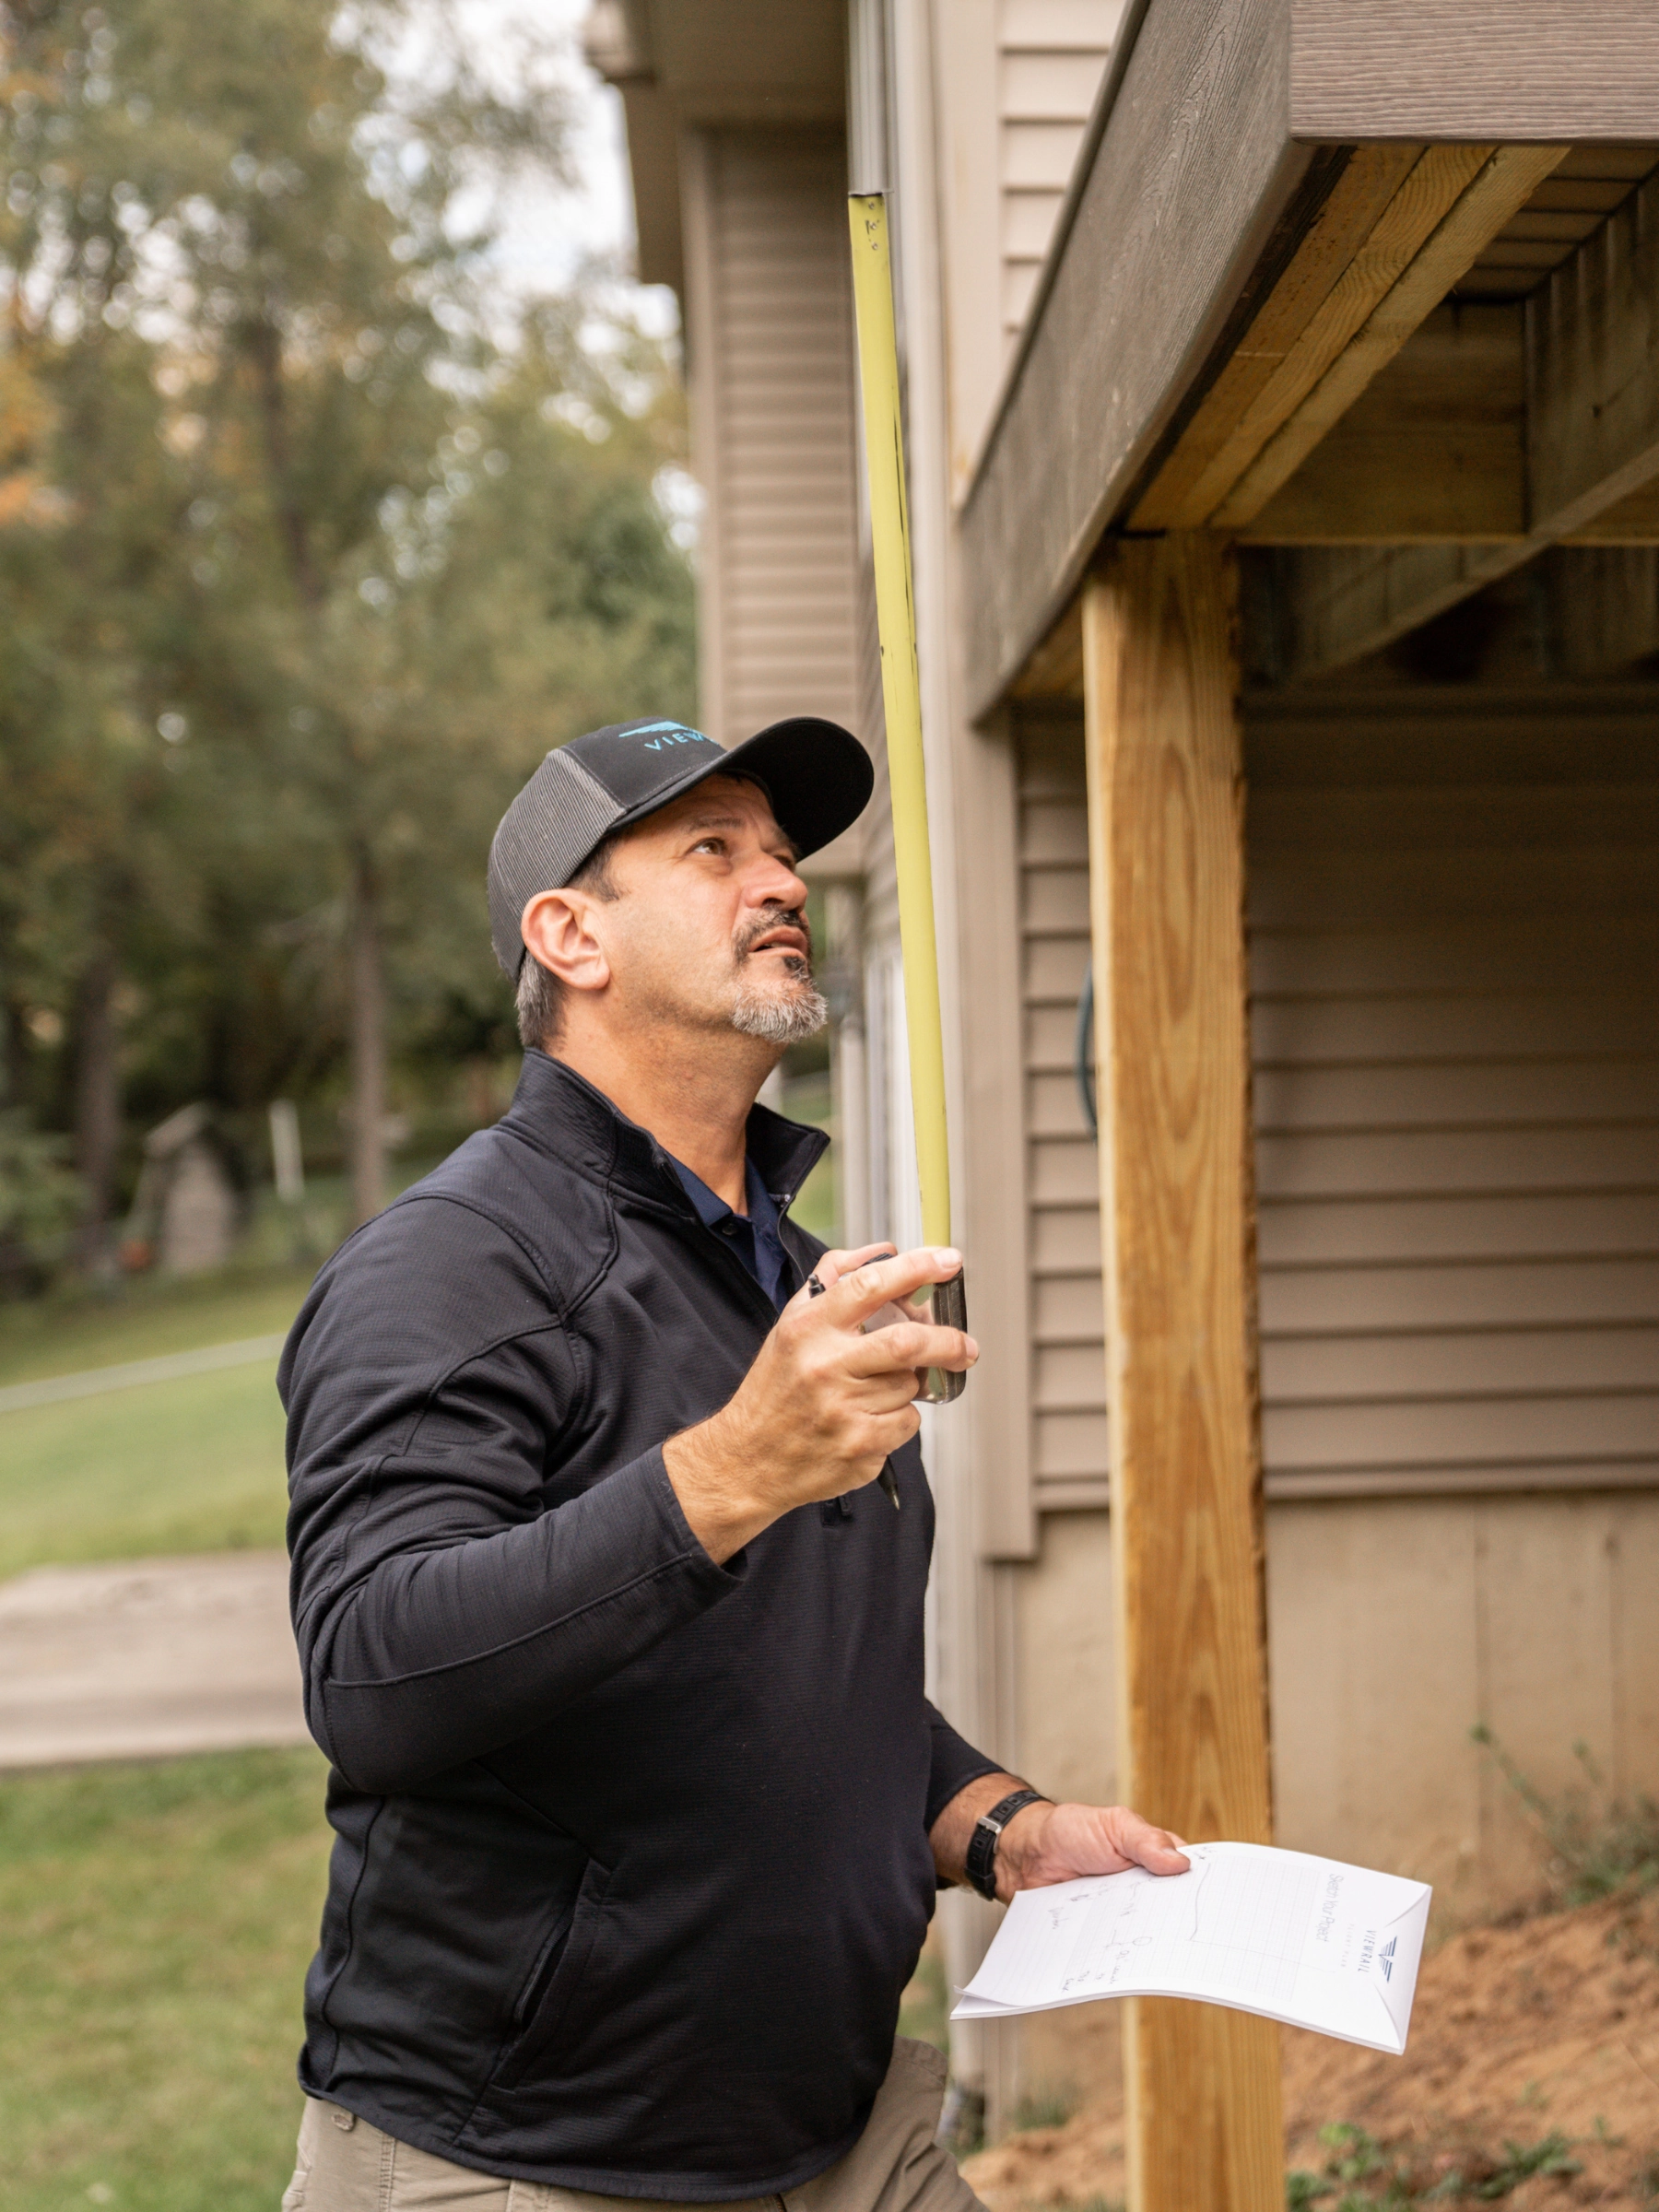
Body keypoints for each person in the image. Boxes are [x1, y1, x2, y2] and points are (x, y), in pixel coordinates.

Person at [279, 713, 1188, 2212]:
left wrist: (996, 1825)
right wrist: (731, 1471)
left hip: (841, 2136)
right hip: (530, 2166)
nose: (781, 882)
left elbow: (797, 1668)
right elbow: (374, 1679)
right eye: (713, 849)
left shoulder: (792, 1280)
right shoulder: (453, 1266)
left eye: (783, 852)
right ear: (570, 934)